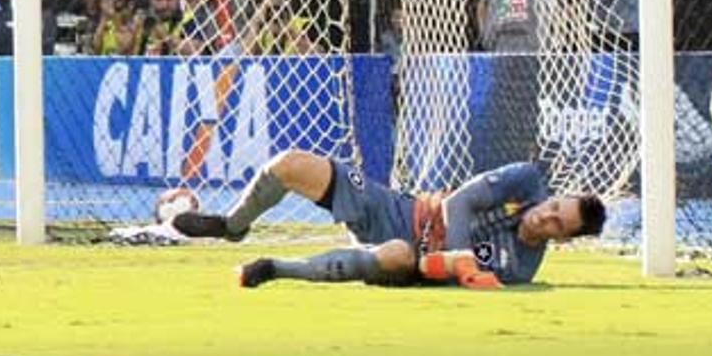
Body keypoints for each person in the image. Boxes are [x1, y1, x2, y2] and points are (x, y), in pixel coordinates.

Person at [170, 150, 605, 288]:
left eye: (554, 225)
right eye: (551, 206)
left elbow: (453, 279)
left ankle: (274, 270)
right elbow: (459, 203)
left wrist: (447, 267)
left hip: (409, 259)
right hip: (401, 207)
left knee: (395, 253)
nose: (542, 217)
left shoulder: (523, 270)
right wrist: (456, 255)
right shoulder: (526, 179)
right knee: (291, 164)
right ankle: (232, 226)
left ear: (563, 240)